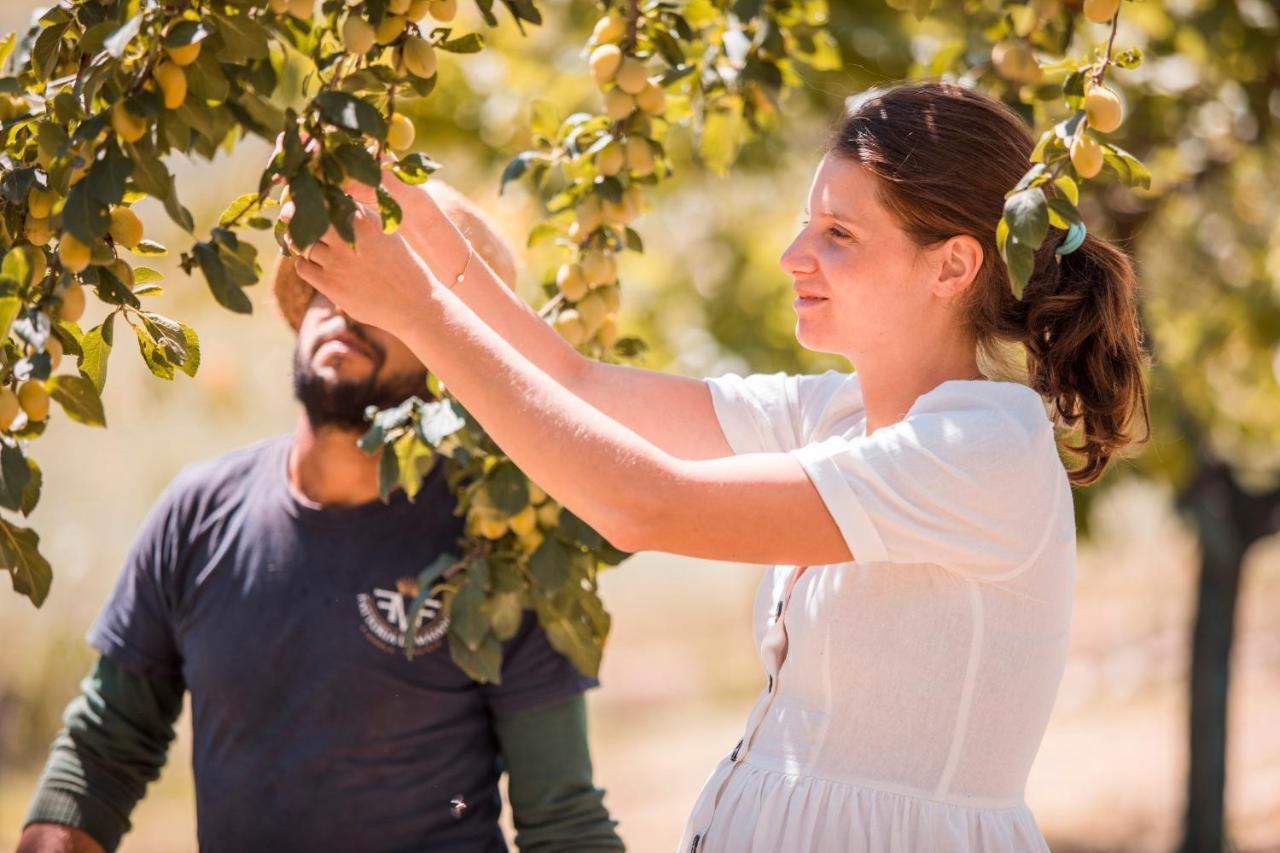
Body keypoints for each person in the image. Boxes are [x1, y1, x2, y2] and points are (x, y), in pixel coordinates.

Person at [289, 81, 1150, 851]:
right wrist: (414, 215)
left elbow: (646, 507)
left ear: (953, 264)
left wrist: (421, 315)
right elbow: (575, 380)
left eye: (839, 234)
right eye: (808, 223)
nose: (793, 257)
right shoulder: (834, 415)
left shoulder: (982, 449)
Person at [18, 182, 624, 853]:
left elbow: (563, 821)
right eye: (332, 281)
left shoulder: (499, 544)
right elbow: (102, 752)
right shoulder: (196, 514)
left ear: (451, 355)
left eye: (385, 295)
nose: (346, 310)